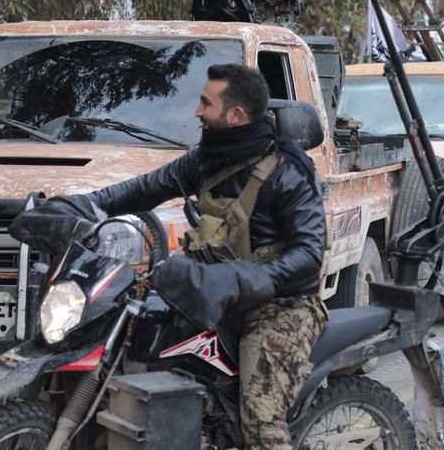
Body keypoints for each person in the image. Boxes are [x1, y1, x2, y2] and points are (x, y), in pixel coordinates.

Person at [88, 64, 327, 449]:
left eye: (205, 103)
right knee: (126, 343)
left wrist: (236, 278)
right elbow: (143, 189)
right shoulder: (206, 159)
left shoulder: (289, 172)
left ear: (235, 115)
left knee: (261, 422)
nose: (197, 112)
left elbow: (308, 257)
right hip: (209, 293)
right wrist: (84, 206)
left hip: (279, 308)